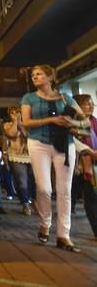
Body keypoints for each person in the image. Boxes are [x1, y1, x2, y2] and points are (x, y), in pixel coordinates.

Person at [20, 64, 92, 252]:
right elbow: (26, 123)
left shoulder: (65, 97)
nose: (35, 77)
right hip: (38, 143)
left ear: (51, 77)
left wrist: (72, 122)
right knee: (44, 188)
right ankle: (45, 222)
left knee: (64, 191)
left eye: (39, 74)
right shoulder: (29, 98)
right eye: (33, 74)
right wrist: (50, 120)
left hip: (64, 143)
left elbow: (85, 120)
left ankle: (64, 235)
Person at [72, 94, 97, 237]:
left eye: (92, 103)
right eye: (87, 103)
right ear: (79, 106)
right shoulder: (74, 122)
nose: (91, 105)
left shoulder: (94, 121)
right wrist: (89, 152)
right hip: (81, 165)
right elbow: (73, 141)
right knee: (91, 197)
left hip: (94, 163)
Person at [3, 107, 34, 216]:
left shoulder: (29, 124)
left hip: (31, 155)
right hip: (15, 156)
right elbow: (12, 134)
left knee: (32, 180)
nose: (15, 114)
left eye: (17, 112)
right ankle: (25, 203)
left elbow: (29, 136)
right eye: (12, 112)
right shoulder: (7, 125)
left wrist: (21, 124)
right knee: (21, 181)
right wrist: (16, 122)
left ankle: (31, 200)